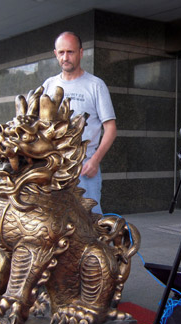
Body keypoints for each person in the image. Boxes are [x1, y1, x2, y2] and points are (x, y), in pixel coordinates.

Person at [42, 31, 117, 214]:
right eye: (61, 52)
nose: (65, 57)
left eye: (70, 52)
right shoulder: (48, 85)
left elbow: (111, 128)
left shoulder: (95, 85)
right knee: (56, 225)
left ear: (81, 53)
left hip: (85, 169)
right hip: (54, 168)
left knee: (90, 225)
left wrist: (95, 160)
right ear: (55, 54)